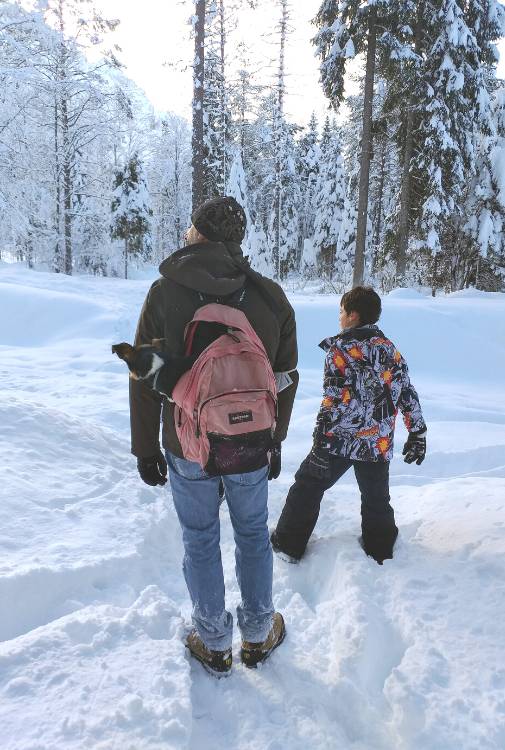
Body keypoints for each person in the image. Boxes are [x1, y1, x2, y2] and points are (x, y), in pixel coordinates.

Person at [129, 196, 298, 676]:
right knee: (252, 536)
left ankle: (214, 641)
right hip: (249, 444)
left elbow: (144, 372)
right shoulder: (269, 297)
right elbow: (285, 377)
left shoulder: (165, 293)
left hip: (187, 445)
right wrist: (275, 441)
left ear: (198, 234)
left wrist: (145, 448)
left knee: (200, 538)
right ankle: (260, 634)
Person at [271, 285, 426, 566]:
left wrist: (320, 437)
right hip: (377, 442)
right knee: (376, 498)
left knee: (307, 485)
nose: (339, 317)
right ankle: (381, 552)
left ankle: (287, 544)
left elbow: (334, 399)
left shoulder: (340, 350)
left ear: (353, 315)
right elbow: (406, 391)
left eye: (341, 311)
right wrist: (417, 430)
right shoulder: (389, 349)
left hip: (340, 440)